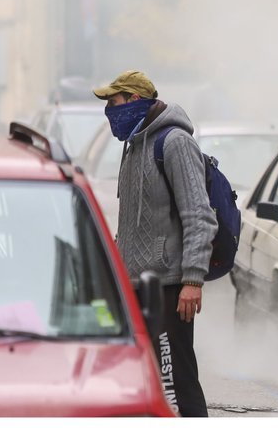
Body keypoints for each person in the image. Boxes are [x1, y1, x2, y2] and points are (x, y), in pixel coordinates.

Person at [93, 70, 218, 416]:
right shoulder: (134, 145)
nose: (109, 112)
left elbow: (199, 214)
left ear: (134, 100)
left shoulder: (174, 143)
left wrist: (192, 280)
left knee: (177, 381)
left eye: (113, 103)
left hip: (169, 287)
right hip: (137, 287)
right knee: (143, 380)